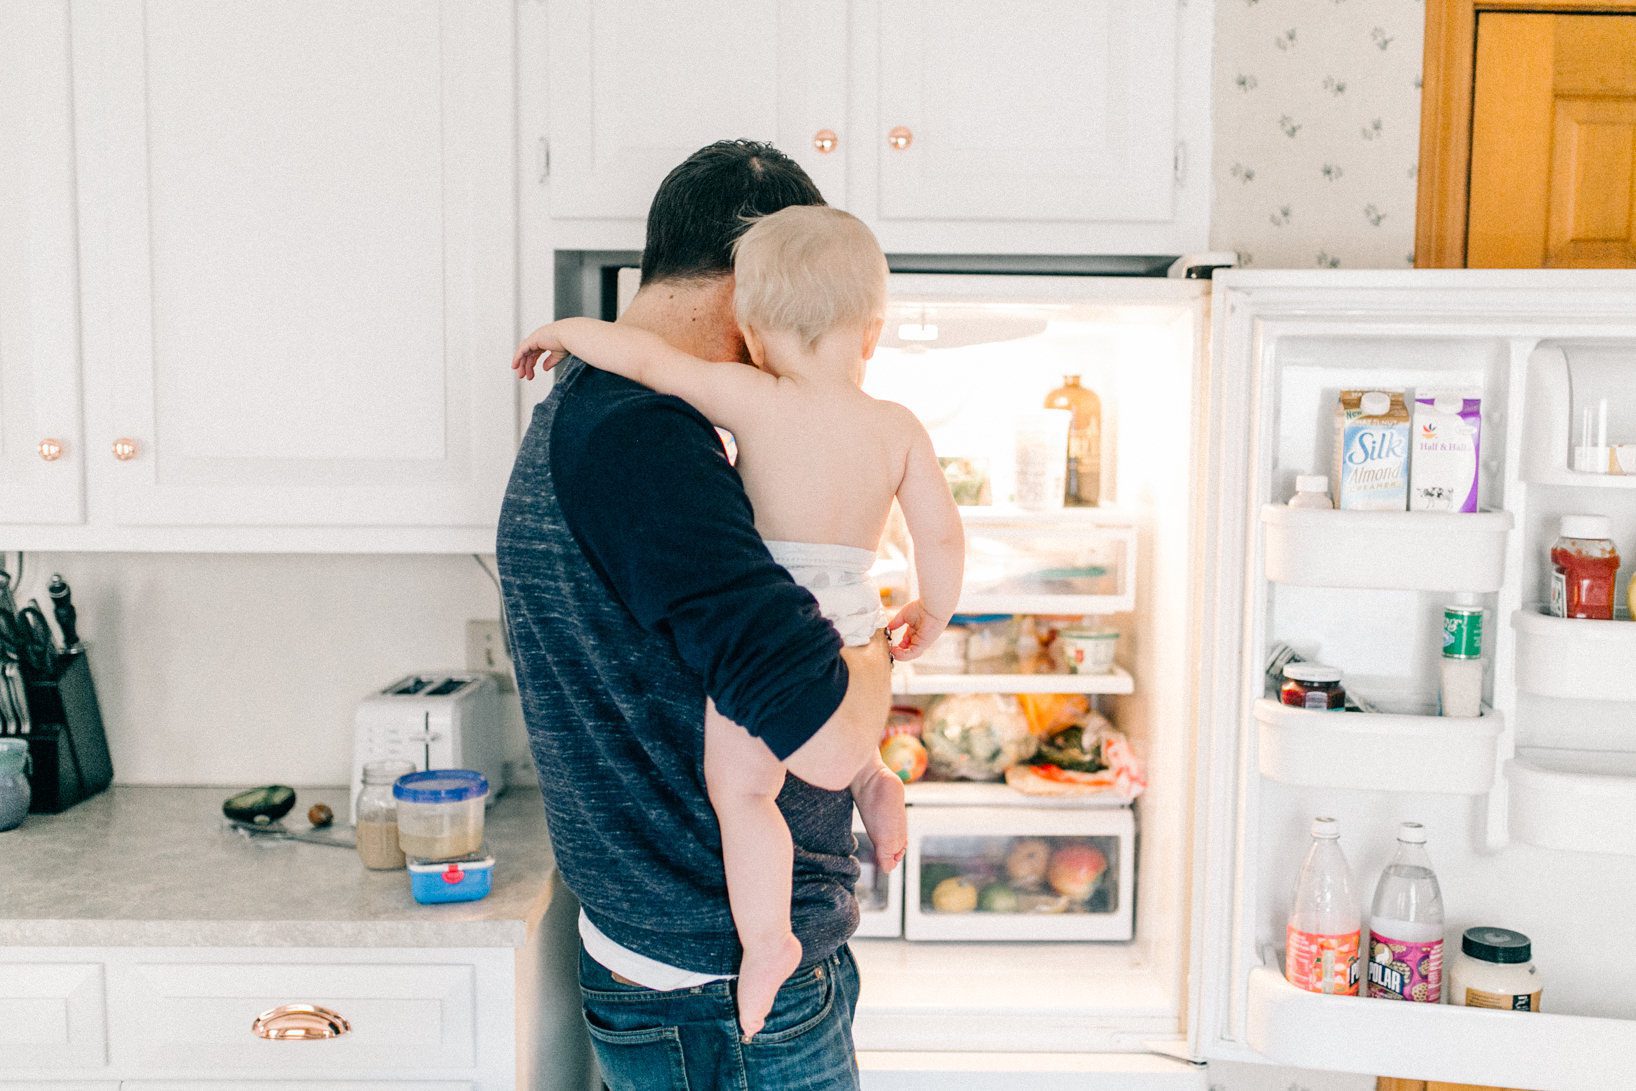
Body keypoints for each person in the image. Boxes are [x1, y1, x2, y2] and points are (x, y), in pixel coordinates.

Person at [512, 204, 965, 1039]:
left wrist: (566, 330)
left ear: (751, 331)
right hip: (855, 604)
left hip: (782, 597)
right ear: (872, 331)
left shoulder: (753, 399)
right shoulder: (897, 427)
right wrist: (930, 611)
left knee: (745, 788)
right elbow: (939, 532)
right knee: (846, 724)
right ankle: (876, 781)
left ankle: (767, 943)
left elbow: (645, 358)